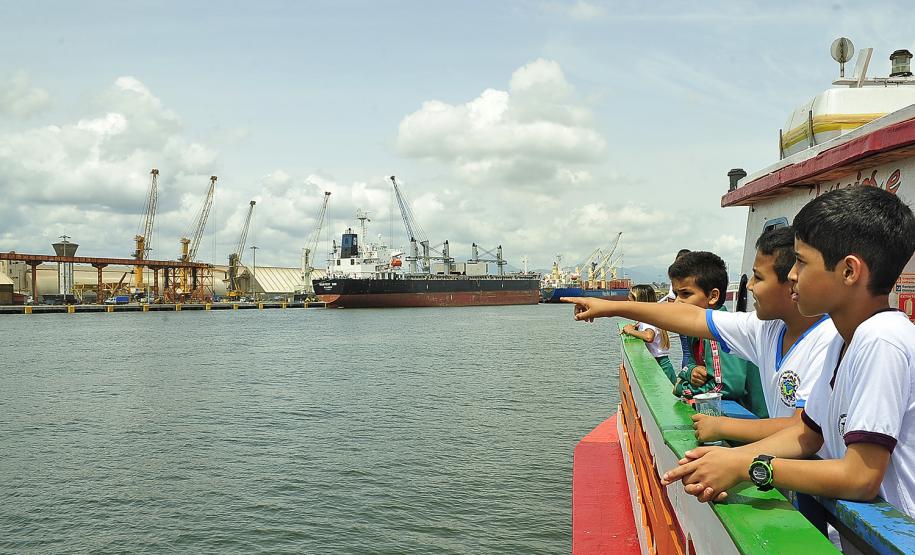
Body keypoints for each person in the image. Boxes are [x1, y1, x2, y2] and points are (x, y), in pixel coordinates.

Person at [658, 186, 915, 517]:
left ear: (849, 271)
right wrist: (729, 461)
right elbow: (807, 434)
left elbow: (860, 477)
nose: (792, 275)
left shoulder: (881, 340)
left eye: (803, 263)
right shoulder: (843, 338)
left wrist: (750, 468)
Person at [564, 228, 838, 444]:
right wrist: (610, 308)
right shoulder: (766, 328)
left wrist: (725, 433)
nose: (750, 287)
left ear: (791, 280)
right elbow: (692, 317)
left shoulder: (827, 341)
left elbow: (804, 430)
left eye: (758, 278)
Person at [566, 251, 767, 417]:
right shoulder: (702, 332)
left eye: (686, 294)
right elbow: (691, 366)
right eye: (677, 294)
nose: (678, 302)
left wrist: (681, 386)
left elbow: (726, 388)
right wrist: (689, 372)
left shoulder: (717, 335)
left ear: (713, 296)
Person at [621, 284, 676, 383]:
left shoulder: (647, 320)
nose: (627, 303)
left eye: (630, 301)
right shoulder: (650, 317)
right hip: (664, 365)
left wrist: (630, 331)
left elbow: (649, 336)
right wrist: (636, 327)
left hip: (660, 367)